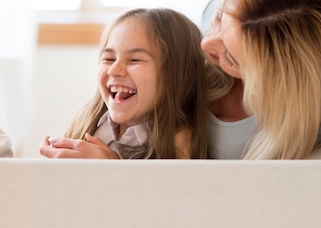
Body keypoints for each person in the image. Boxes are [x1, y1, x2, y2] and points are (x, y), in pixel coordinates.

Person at [201, 0, 321, 159]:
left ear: (271, 77)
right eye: (219, 20)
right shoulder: (212, 16)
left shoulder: (308, 129)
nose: (204, 44)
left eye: (229, 57)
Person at [40, 8, 209, 159]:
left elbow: (164, 193)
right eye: (109, 59)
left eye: (134, 60)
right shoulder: (88, 121)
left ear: (176, 74)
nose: (114, 70)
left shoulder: (179, 143)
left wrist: (111, 167)